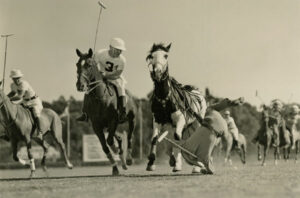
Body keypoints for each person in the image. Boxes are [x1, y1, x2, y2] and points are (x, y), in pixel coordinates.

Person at [76, 38, 127, 122]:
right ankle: (85, 113)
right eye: (117, 50)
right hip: (100, 75)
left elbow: (117, 74)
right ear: (111, 47)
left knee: (121, 88)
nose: (119, 52)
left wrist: (106, 75)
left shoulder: (122, 60)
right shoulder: (100, 53)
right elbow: (92, 66)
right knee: (88, 89)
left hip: (114, 77)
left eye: (120, 50)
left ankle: (123, 112)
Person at [7, 69, 44, 140]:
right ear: (12, 79)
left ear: (20, 78)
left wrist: (8, 99)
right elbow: (12, 93)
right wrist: (5, 97)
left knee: (35, 112)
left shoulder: (24, 84)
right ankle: (9, 132)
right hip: (25, 102)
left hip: (34, 101)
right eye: (15, 78)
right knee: (14, 110)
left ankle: (40, 132)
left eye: (18, 78)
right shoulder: (13, 85)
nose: (16, 80)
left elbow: (20, 96)